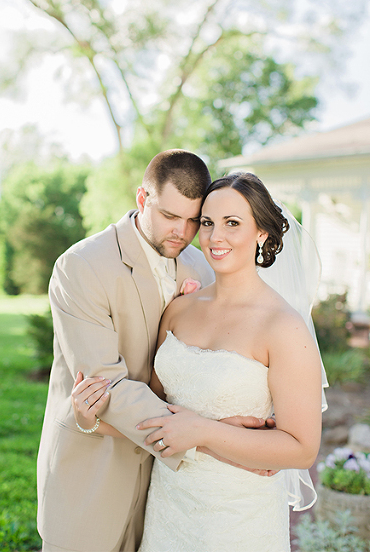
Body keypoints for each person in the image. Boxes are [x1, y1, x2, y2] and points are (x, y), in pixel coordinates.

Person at [74, 173, 324, 551]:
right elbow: (155, 414)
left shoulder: (283, 327)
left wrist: (204, 433)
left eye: (232, 223)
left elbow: (302, 448)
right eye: (207, 222)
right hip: (168, 511)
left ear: (261, 233)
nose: (214, 237)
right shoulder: (179, 310)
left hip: (238, 520)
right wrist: (90, 419)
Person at [37, 149, 223, 552]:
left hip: (169, 492)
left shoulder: (203, 269)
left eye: (194, 220)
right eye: (170, 216)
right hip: (94, 469)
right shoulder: (82, 266)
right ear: (142, 198)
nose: (182, 232)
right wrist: (210, 439)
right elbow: (105, 386)